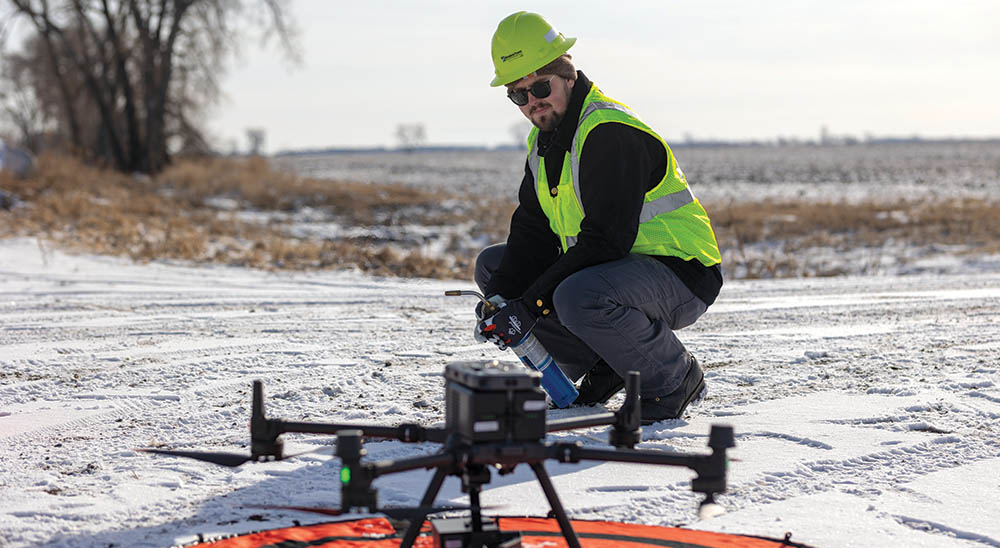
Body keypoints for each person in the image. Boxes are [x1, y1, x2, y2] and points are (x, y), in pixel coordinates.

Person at [473, 12, 723, 424]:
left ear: (567, 74)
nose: (532, 102)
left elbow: (606, 240)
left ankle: (674, 378)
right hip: (616, 271)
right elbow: (533, 230)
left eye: (539, 87)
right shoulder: (543, 142)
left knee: (578, 295)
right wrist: (501, 298)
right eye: (519, 95)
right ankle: (605, 362)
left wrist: (531, 305)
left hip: (681, 272)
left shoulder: (607, 131)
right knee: (494, 267)